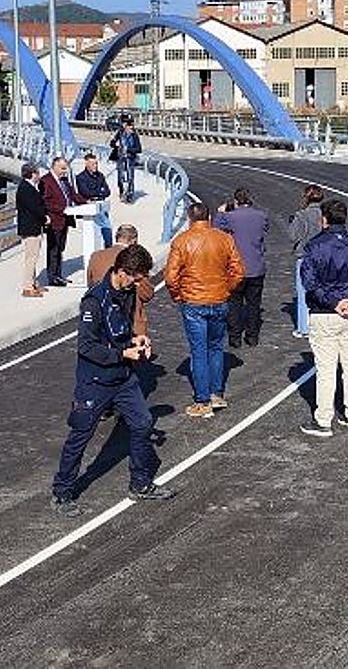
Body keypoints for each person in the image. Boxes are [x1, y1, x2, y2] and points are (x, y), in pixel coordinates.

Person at [51, 244, 174, 515]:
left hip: (123, 377)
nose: (139, 283)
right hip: (94, 381)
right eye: (137, 278)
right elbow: (86, 346)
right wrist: (123, 352)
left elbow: (121, 329)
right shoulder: (94, 301)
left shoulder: (128, 293)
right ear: (122, 272)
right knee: (81, 436)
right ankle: (62, 491)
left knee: (142, 423)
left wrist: (136, 339)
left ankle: (140, 483)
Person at [299, 199, 348, 437]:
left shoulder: (314, 246)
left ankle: (324, 419)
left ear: (324, 219)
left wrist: (335, 302)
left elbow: (310, 283)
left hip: (325, 314)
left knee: (326, 369)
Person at [165, 202, 244, 419]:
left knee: (198, 351)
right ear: (208, 217)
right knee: (216, 347)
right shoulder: (224, 239)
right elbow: (238, 270)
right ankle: (216, 393)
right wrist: (225, 288)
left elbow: (171, 276)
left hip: (194, 302)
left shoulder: (182, 241)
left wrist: (179, 295)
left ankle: (202, 400)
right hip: (219, 299)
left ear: (190, 218)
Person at [214, 187, 269, 348]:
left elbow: (216, 228)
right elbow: (264, 229)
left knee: (234, 303)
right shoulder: (261, 215)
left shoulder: (230, 217)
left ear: (236, 201)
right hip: (256, 266)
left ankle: (235, 337)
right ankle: (252, 336)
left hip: (235, 268)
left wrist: (221, 212)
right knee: (254, 304)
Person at [87, 224, 154, 337]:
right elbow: (146, 294)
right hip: (130, 322)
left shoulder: (96, 256)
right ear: (134, 240)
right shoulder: (136, 261)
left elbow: (91, 284)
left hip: (102, 320)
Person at [40, 156, 85, 287]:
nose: (65, 171)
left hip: (65, 220)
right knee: (53, 250)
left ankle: (59, 275)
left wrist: (86, 201)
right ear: (54, 167)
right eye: (63, 168)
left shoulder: (64, 180)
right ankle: (52, 277)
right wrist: (63, 209)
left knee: (60, 248)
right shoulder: (46, 181)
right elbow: (46, 202)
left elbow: (73, 195)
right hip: (54, 220)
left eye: (66, 168)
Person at [288, 184, 324, 339]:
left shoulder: (301, 215)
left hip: (305, 256)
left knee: (303, 293)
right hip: (323, 257)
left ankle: (304, 328)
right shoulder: (325, 214)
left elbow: (293, 236)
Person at [16, 162, 49, 298]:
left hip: (33, 227)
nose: (39, 176)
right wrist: (45, 218)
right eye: (37, 173)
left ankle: (33, 283)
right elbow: (34, 208)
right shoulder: (25, 188)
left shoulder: (29, 187)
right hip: (30, 228)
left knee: (33, 257)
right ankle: (27, 287)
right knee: (31, 258)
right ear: (32, 174)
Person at [76, 151, 113, 248]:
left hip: (101, 207)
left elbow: (108, 191)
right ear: (86, 164)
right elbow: (85, 192)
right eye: (93, 164)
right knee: (94, 235)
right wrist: (100, 192)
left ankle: (108, 250)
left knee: (107, 230)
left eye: (96, 163)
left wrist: (96, 193)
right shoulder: (81, 177)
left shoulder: (100, 175)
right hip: (90, 208)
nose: (95, 166)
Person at [110, 118, 142, 203]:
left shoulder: (135, 136)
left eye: (132, 126)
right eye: (129, 126)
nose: (131, 128)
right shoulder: (120, 133)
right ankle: (122, 192)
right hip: (120, 159)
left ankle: (129, 196)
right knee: (121, 178)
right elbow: (112, 143)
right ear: (126, 126)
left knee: (130, 177)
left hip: (130, 159)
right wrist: (114, 143)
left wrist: (129, 149)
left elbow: (139, 149)